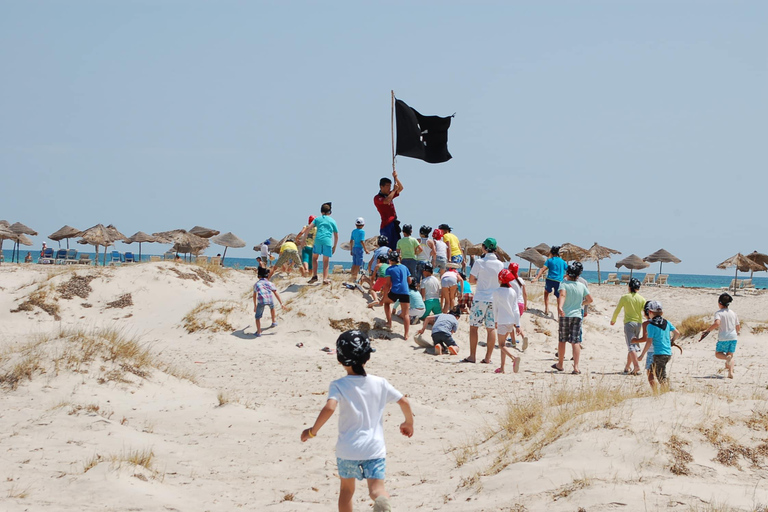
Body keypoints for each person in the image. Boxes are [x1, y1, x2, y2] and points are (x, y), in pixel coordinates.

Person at [301, 330, 414, 512]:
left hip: (348, 449)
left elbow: (329, 408)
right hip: (374, 448)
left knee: (346, 490)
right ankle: (381, 501)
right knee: (377, 489)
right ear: (367, 357)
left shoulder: (338, 385)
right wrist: (408, 423)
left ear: (339, 359)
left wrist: (312, 432)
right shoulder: (380, 383)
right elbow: (404, 401)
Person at [464, 238, 505, 364]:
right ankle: (488, 358)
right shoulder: (500, 264)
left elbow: (471, 279)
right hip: (494, 299)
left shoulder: (479, 262)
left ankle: (472, 356)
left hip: (481, 297)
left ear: (484, 247)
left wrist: (479, 281)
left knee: (474, 327)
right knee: (491, 328)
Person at [552, 262, 592, 374]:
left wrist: (560, 307)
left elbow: (563, 295)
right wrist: (580, 303)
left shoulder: (564, 284)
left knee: (562, 340)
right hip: (577, 315)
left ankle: (560, 364)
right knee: (576, 341)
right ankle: (576, 367)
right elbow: (590, 300)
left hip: (566, 315)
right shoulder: (582, 286)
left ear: (568, 274)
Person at [631, 301, 680, 391]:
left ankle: (662, 392)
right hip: (668, 353)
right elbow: (677, 333)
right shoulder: (667, 322)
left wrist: (642, 354)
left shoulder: (650, 325)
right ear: (662, 313)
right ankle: (664, 389)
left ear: (649, 312)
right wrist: (671, 341)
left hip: (658, 354)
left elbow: (649, 341)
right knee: (659, 371)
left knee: (657, 375)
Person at [699, 292, 740, 379]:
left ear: (720, 303)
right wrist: (736, 333)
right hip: (733, 336)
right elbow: (738, 326)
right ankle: (730, 372)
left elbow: (717, 323)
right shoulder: (733, 313)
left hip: (723, 336)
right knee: (730, 355)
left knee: (718, 354)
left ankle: (726, 358)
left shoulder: (719, 313)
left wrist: (707, 330)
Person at [610, 278, 646, 375]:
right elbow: (645, 311)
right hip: (638, 324)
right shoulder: (642, 299)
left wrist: (613, 320)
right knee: (633, 345)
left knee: (631, 346)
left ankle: (636, 366)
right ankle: (627, 366)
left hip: (629, 323)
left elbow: (617, 310)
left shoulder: (625, 297)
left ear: (629, 287)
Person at [492, 269, 524, 374]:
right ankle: (502, 367)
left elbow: (495, 308)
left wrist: (495, 321)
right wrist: (518, 324)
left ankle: (513, 358)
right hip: (511, 321)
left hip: (502, 320)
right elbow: (515, 309)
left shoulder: (496, 292)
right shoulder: (512, 291)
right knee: (504, 345)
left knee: (501, 345)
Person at [383, 251, 412, 339]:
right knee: (406, 314)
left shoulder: (389, 269)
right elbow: (409, 281)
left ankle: (389, 323)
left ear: (391, 260)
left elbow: (388, 284)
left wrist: (385, 295)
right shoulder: (404, 267)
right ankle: (406, 334)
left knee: (387, 303)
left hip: (395, 291)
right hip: (405, 291)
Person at [309, 202, 339, 285]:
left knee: (315, 258)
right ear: (330, 212)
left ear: (321, 211)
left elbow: (309, 227)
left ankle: (315, 275)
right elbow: (336, 235)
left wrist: (304, 239)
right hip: (327, 241)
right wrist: (335, 246)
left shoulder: (317, 219)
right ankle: (325, 279)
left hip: (318, 240)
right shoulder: (332, 220)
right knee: (326, 261)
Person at [534, 246, 567, 317]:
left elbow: (542, 269)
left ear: (551, 253)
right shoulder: (562, 261)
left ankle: (546, 309)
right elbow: (568, 270)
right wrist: (565, 276)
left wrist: (536, 278)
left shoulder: (549, 260)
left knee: (546, 293)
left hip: (550, 279)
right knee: (558, 298)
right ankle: (558, 315)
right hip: (559, 281)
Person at [374, 170, 404, 250]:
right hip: (386, 225)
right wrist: (394, 190)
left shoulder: (389, 195)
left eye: (390, 186)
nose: (389, 188)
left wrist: (396, 177)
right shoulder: (377, 198)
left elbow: (401, 188)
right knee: (386, 247)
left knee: (396, 246)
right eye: (387, 186)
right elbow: (386, 201)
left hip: (393, 224)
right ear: (381, 186)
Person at [253, 266, 283, 337]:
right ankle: (274, 322)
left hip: (261, 301)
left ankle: (259, 332)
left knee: (257, 317)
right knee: (272, 308)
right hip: (270, 299)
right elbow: (275, 293)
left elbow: (254, 296)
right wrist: (281, 303)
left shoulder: (257, 284)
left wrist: (255, 306)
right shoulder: (270, 283)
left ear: (259, 277)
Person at [507, 263, 528, 350]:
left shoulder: (509, 280)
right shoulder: (520, 280)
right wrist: (526, 304)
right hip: (521, 303)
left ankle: (514, 341)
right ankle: (523, 337)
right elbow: (525, 294)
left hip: (512, 304)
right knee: (516, 322)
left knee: (510, 323)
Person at [349, 217, 369, 282]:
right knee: (358, 264)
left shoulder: (353, 231)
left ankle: (352, 276)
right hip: (359, 248)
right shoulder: (362, 232)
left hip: (354, 248)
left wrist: (351, 250)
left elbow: (351, 241)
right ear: (363, 225)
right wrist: (366, 250)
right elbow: (362, 241)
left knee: (354, 263)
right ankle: (355, 277)